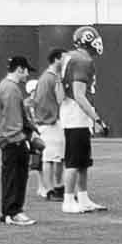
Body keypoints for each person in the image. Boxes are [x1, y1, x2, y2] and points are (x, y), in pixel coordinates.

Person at [58, 25, 109, 214]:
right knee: (73, 160)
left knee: (82, 161)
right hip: (75, 115)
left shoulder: (73, 57)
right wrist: (96, 118)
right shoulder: (81, 60)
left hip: (74, 113)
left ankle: (84, 197)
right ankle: (68, 200)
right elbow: (79, 94)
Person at [0, 55, 37, 225]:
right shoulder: (11, 89)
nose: (27, 75)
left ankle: (9, 212)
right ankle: (13, 212)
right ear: (19, 69)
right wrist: (22, 139)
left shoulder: (6, 86)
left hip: (9, 140)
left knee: (12, 177)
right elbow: (12, 120)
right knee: (16, 177)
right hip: (13, 141)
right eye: (26, 71)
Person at [29, 49, 66, 201]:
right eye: (63, 58)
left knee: (54, 157)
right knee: (51, 157)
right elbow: (59, 98)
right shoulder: (51, 78)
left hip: (48, 122)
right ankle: (52, 189)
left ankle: (57, 187)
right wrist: (50, 118)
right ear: (57, 59)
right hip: (50, 122)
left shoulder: (47, 77)